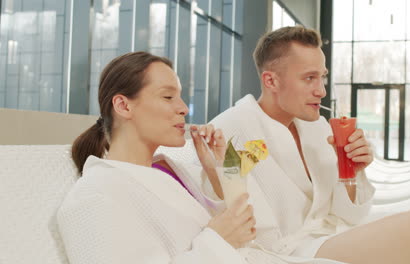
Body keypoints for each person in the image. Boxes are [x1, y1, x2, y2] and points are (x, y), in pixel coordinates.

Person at [209, 26, 410, 263]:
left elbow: (349, 215)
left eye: (322, 77)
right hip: (289, 251)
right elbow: (241, 221)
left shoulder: (318, 128)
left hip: (333, 235)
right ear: (271, 81)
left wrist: (351, 170)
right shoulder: (229, 132)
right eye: (309, 78)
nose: (321, 90)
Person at [57, 52, 259, 264]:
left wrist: (219, 169)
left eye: (180, 97)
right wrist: (218, 243)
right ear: (124, 106)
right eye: (168, 97)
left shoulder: (175, 171)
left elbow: (252, 230)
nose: (183, 108)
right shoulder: (94, 196)